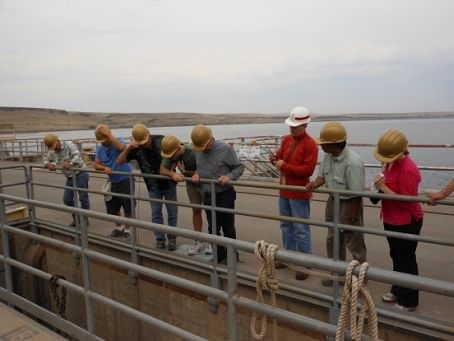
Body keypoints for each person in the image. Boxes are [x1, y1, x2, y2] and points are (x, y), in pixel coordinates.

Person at [306, 122, 367, 286]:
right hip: (333, 201)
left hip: (349, 204)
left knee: (354, 241)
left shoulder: (352, 162)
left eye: (323, 143)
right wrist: (314, 184)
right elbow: (323, 176)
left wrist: (352, 217)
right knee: (333, 239)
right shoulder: (328, 156)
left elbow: (357, 195)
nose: (321, 146)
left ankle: (360, 279)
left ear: (333, 144)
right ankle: (337, 274)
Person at [373, 129, 423, 312]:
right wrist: (379, 186)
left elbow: (407, 202)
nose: (384, 161)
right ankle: (398, 289)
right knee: (396, 256)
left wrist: (383, 188)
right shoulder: (389, 164)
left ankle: (410, 300)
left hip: (407, 221)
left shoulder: (409, 170)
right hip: (391, 218)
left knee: (407, 259)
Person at [270, 106, 318, 281]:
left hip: (298, 193)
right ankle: (290, 259)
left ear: (304, 125)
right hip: (285, 191)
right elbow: (280, 155)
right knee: (286, 226)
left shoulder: (311, 144)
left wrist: (283, 166)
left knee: (300, 229)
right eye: (291, 126)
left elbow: (307, 170)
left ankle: (304, 264)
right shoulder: (287, 139)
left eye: (294, 126)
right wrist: (274, 158)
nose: (291, 129)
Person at [117, 124, 178, 251]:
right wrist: (129, 148)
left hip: (169, 183)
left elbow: (177, 151)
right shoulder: (135, 148)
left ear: (149, 134)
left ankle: (172, 238)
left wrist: (173, 168)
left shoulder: (161, 140)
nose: (144, 145)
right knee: (156, 213)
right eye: (141, 143)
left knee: (172, 212)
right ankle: (159, 239)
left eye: (145, 142)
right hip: (152, 186)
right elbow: (120, 161)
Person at [190, 125, 244, 263]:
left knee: (228, 228)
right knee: (212, 228)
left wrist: (229, 177)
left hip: (224, 194)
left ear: (211, 140)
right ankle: (219, 255)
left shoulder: (225, 149)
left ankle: (232, 255)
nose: (203, 150)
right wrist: (196, 174)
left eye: (205, 146)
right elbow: (199, 168)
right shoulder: (198, 150)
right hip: (207, 194)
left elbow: (239, 167)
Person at [160, 135, 205, 255]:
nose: (170, 158)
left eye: (171, 156)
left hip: (206, 184)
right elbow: (162, 170)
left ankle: (214, 241)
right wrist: (173, 174)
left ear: (178, 149)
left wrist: (185, 172)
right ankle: (198, 240)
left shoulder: (194, 151)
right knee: (196, 210)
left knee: (211, 212)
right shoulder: (172, 153)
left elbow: (206, 169)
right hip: (191, 185)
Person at [94, 124, 135, 240]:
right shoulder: (100, 148)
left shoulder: (118, 140)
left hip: (125, 179)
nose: (103, 143)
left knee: (128, 207)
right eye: (101, 141)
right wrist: (104, 168)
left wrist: (109, 135)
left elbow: (122, 148)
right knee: (112, 208)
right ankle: (119, 227)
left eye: (104, 140)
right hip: (112, 181)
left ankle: (127, 230)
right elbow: (96, 164)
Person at [42, 133, 90, 225]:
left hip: (81, 173)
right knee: (67, 199)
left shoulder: (69, 145)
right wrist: (48, 164)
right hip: (70, 177)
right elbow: (45, 159)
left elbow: (78, 155)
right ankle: (76, 217)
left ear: (58, 141)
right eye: (52, 148)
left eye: (55, 146)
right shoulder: (52, 151)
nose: (54, 149)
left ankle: (85, 219)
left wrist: (71, 163)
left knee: (83, 197)